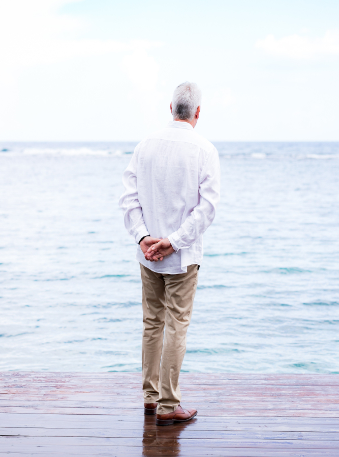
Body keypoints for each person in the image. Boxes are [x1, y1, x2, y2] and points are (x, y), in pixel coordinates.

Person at [119, 82, 221, 426]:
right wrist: (174, 242)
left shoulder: (144, 145)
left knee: (152, 324)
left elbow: (128, 199)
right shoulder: (204, 149)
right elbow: (207, 208)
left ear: (171, 108)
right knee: (176, 326)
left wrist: (144, 238)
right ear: (197, 112)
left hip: (148, 254)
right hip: (181, 257)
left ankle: (151, 398)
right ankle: (168, 404)